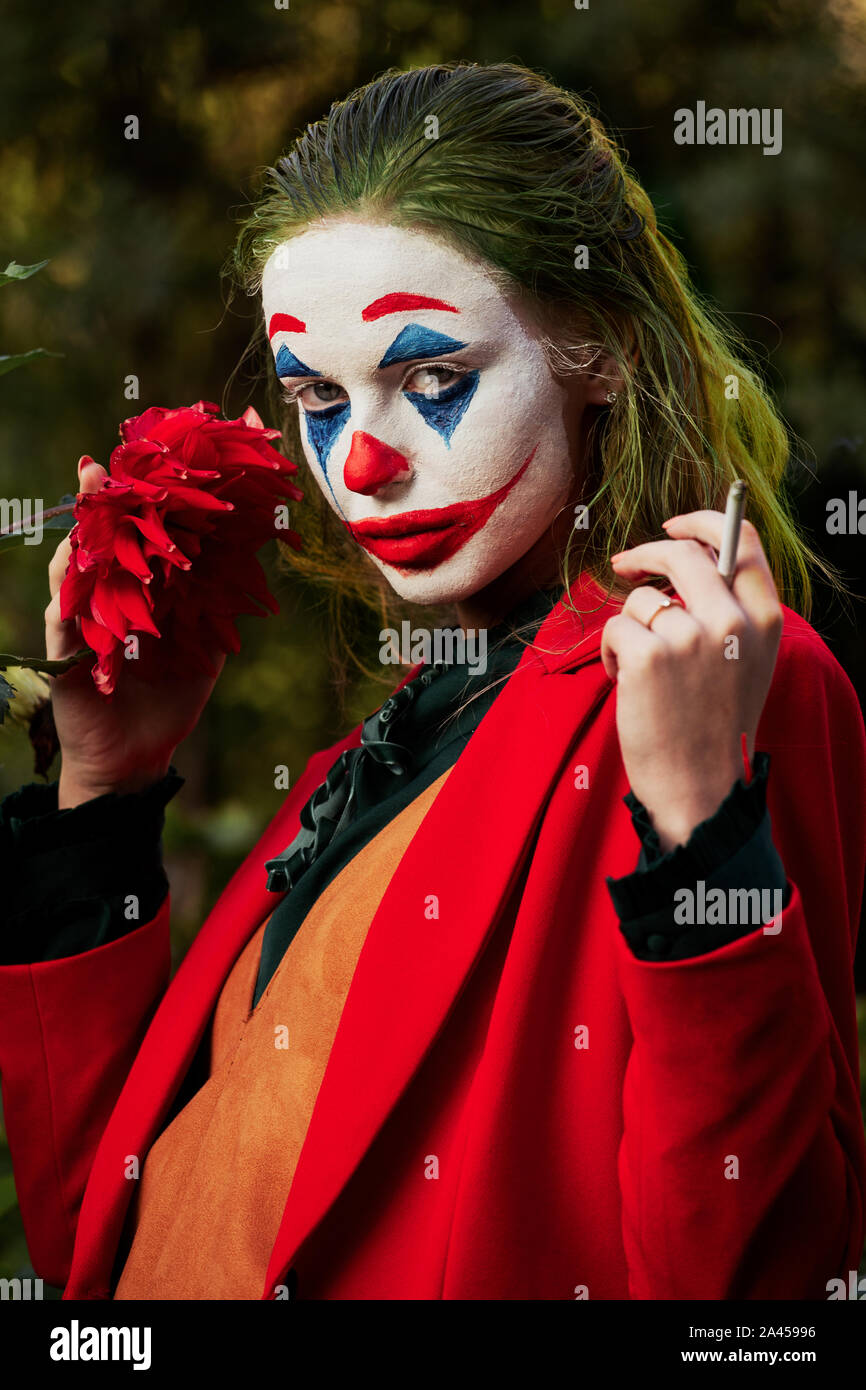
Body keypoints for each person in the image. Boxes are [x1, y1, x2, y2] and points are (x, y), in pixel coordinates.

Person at [0, 62, 863, 1302]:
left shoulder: (711, 683)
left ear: (601, 349)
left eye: (430, 379)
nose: (359, 463)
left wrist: (699, 830)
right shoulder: (381, 753)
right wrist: (106, 786)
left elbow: (749, 1294)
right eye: (312, 395)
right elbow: (102, 1251)